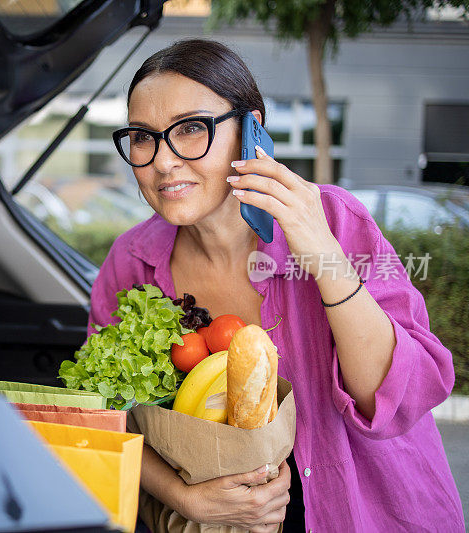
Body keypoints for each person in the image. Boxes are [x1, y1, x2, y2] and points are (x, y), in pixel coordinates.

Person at [89, 39, 464, 532]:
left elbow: (395, 401)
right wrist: (186, 498)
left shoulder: (332, 218)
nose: (163, 161)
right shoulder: (132, 262)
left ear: (252, 128)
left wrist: (324, 257)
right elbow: (105, 420)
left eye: (191, 129)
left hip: (368, 511)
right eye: (143, 137)